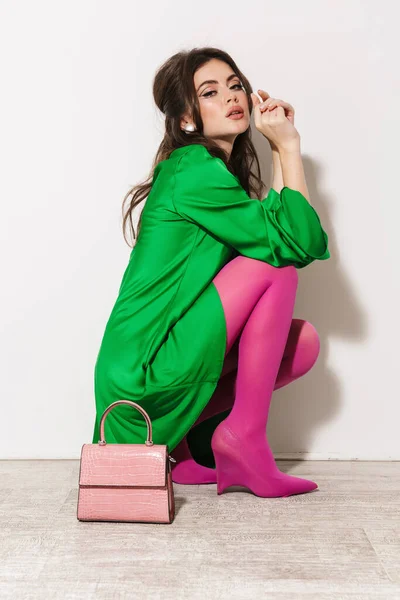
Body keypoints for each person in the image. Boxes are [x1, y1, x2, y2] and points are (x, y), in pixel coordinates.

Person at [91, 47, 330, 498]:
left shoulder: (209, 174)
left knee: (300, 345)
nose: (231, 96)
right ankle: (243, 439)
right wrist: (293, 148)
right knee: (275, 272)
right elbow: (295, 246)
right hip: (140, 377)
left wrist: (280, 145)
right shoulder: (193, 170)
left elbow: (282, 231)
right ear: (186, 119)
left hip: (148, 369)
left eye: (235, 85)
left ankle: (180, 451)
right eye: (210, 92)